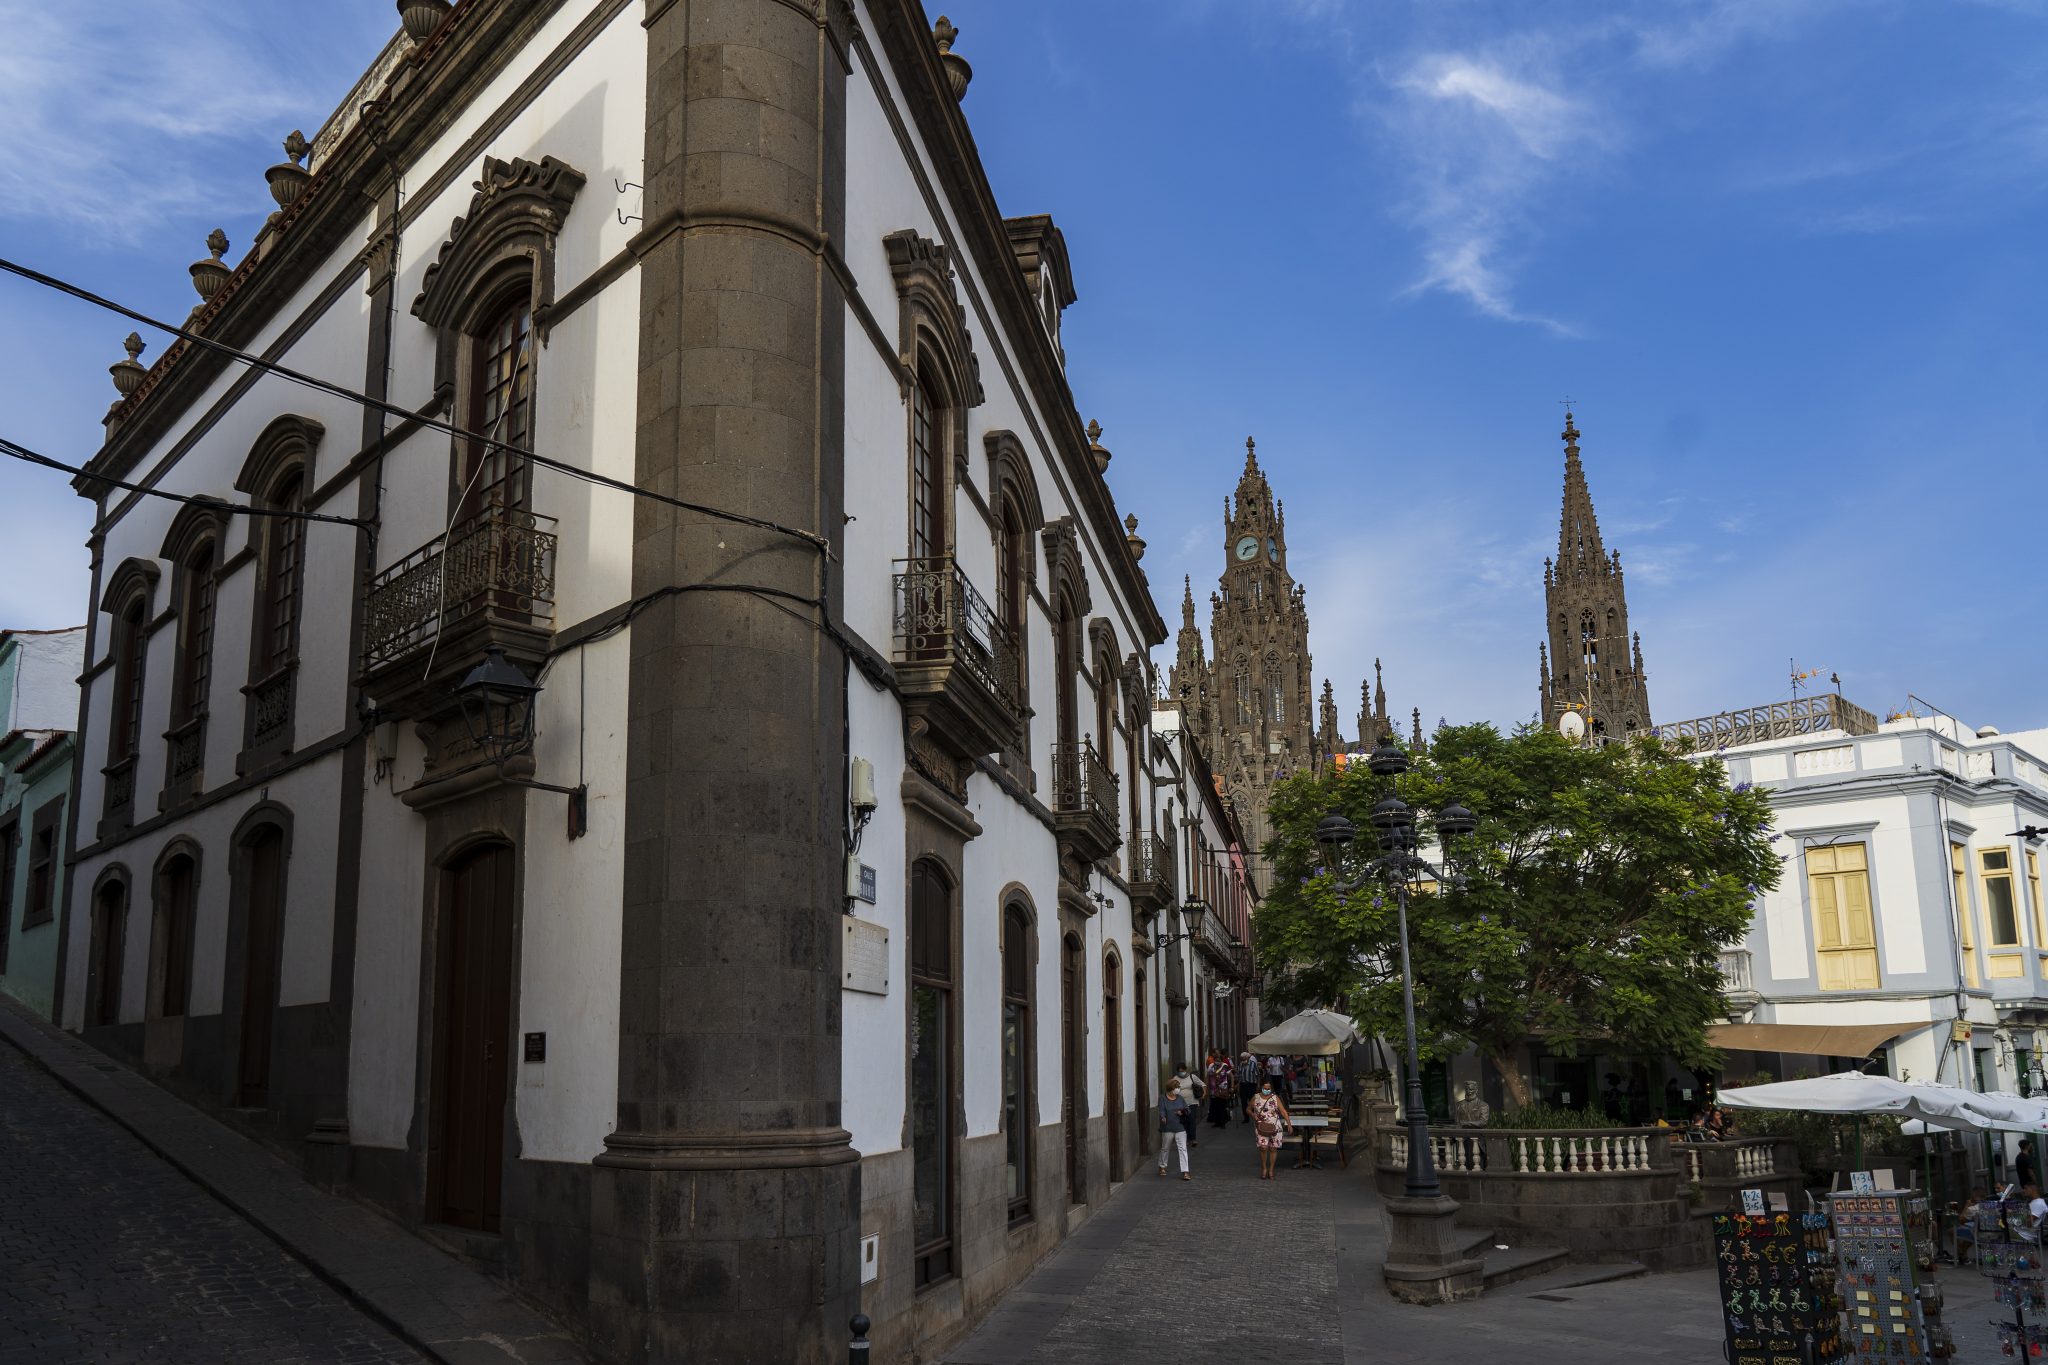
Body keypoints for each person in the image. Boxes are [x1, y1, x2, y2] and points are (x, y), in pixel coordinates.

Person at [1248, 1076, 1292, 1180]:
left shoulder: (1275, 1097)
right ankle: (1264, 1168)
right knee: (1263, 1148)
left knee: (1273, 1148)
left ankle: (1271, 1169)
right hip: (1261, 1126)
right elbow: (1248, 1109)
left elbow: (1283, 1111)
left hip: (1275, 1126)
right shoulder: (1256, 1097)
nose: (1267, 1090)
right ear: (1261, 1087)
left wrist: (1289, 1124)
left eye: (1269, 1088)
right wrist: (1253, 1115)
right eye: (1265, 1088)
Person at [1158, 1083, 1191, 1180]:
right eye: (1175, 1088)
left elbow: (1188, 1110)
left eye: (1178, 1087)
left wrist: (1182, 1112)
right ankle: (1162, 1166)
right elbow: (1161, 1109)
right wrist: (1163, 1117)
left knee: (1183, 1149)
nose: (1177, 1089)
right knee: (1165, 1148)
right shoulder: (1162, 1098)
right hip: (1168, 1127)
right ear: (1170, 1089)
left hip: (1180, 1127)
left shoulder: (1180, 1098)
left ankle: (1185, 1171)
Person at [1171, 1061, 1202, 1148]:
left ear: (1185, 1069)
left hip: (1192, 1102)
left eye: (1182, 1070)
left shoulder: (1192, 1077)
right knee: (1184, 1122)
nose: (1181, 1072)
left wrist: (1203, 1094)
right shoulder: (1175, 1079)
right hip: (1180, 1104)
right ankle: (1187, 1139)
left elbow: (1202, 1084)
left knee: (1192, 1120)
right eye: (1179, 1071)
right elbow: (1171, 1090)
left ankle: (1193, 1139)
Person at [1205, 1052, 1236, 1128]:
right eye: (1216, 1060)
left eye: (1218, 1060)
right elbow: (1208, 1077)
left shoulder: (1225, 1066)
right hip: (1213, 1090)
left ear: (1221, 1060)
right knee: (1215, 1106)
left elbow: (1231, 1076)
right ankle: (1217, 1122)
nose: (1217, 1061)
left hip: (1223, 1090)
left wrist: (1232, 1087)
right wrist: (1206, 1087)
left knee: (1222, 1106)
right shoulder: (1211, 1066)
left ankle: (1223, 1122)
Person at [1237, 1052, 1260, 1121]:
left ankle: (1254, 1115)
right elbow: (1239, 1076)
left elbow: (1258, 1075)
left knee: (1252, 1101)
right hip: (1243, 1085)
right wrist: (1238, 1086)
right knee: (1243, 1102)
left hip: (1251, 1085)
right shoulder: (1240, 1065)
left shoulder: (1253, 1064)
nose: (1243, 1060)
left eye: (1244, 1059)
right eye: (1242, 1059)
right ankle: (1246, 1117)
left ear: (1248, 1058)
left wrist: (1258, 1085)